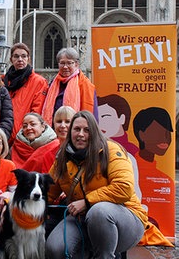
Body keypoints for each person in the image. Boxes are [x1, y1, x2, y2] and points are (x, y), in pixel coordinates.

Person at [46, 111, 147, 259]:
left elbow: (124, 187)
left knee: (99, 211)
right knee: (55, 248)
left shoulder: (111, 150)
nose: (81, 134)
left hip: (124, 219)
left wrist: (87, 201)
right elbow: (46, 191)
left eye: (86, 130)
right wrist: (12, 203)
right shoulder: (62, 157)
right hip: (82, 219)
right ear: (70, 132)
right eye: (76, 129)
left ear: (94, 131)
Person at [133, 107, 175, 235]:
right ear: (141, 135)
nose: (165, 138)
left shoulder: (166, 179)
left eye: (168, 133)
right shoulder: (129, 164)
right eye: (158, 132)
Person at [98, 94, 143, 200]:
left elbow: (133, 192)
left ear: (122, 118)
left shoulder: (134, 153)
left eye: (105, 117)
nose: (100, 124)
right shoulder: (95, 150)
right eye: (97, 118)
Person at [3, 43, 48, 145]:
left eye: (23, 56)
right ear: (11, 60)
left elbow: (36, 111)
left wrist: (24, 134)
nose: (20, 59)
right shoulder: (3, 81)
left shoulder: (39, 82)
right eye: (16, 56)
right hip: (4, 136)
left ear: (29, 59)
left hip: (24, 137)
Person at [41, 47, 97, 127]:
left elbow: (93, 114)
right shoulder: (52, 84)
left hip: (76, 132)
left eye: (69, 63)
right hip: (54, 131)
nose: (65, 67)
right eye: (62, 63)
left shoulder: (85, 85)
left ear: (76, 64)